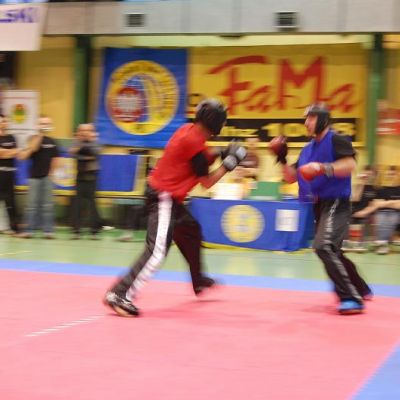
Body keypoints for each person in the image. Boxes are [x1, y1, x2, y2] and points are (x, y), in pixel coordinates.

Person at [104, 99, 246, 317]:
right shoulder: (195, 143)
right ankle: (120, 294)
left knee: (191, 231)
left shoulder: (189, 130)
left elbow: (197, 157)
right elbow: (207, 182)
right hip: (164, 197)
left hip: (169, 195)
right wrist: (229, 164)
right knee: (157, 250)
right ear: (216, 122)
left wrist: (220, 152)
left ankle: (199, 280)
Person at [269, 103, 371, 315]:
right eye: (306, 119)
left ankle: (351, 298)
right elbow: (291, 177)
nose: (306, 123)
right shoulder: (307, 150)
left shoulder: (336, 139)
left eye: (311, 118)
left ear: (323, 119)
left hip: (336, 202)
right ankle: (360, 287)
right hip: (319, 205)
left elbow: (350, 165)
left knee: (323, 246)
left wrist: (322, 168)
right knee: (333, 251)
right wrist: (281, 157)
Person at [18, 116, 60, 239]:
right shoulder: (32, 139)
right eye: (42, 123)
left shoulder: (52, 141)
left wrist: (51, 173)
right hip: (34, 177)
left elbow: (56, 158)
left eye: (46, 123)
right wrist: (39, 135)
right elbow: (28, 153)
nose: (44, 125)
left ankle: (48, 231)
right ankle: (29, 231)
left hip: (47, 178)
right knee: (31, 206)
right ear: (37, 125)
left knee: (47, 205)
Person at [69, 123, 102, 239]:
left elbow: (96, 153)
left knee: (92, 204)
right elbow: (73, 154)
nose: (84, 132)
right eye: (82, 130)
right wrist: (86, 154)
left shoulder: (95, 141)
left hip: (92, 176)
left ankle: (94, 231)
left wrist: (82, 151)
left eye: (87, 130)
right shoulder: (76, 141)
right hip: (80, 176)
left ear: (91, 131)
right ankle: (76, 231)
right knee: (77, 204)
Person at [0, 114, 20, 234]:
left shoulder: (12, 137)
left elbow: (16, 152)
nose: (3, 123)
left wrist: (5, 152)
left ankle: (13, 227)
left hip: (10, 173)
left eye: (4, 121)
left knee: (11, 201)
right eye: (1, 121)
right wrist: (9, 152)